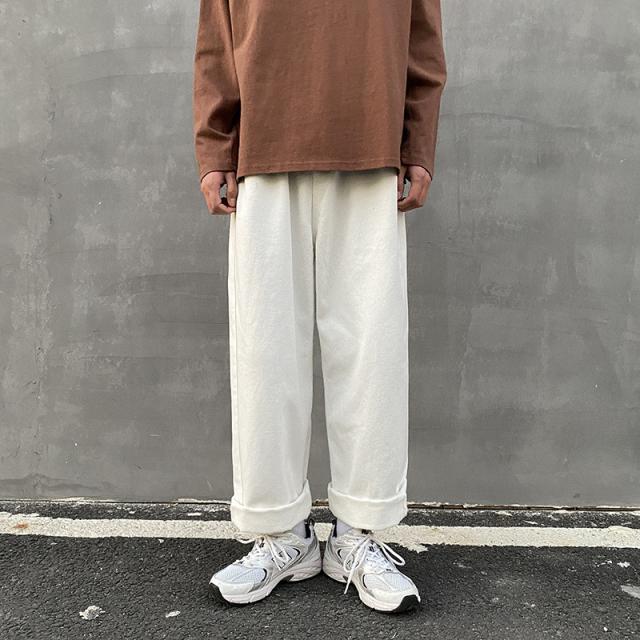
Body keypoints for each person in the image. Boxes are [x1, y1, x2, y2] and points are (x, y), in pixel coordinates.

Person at [193, 0, 446, 613]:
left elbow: (421, 41)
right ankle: (282, 532)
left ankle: (360, 532)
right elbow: (218, 39)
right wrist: (216, 148)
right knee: (264, 351)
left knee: (372, 350)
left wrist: (417, 143)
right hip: (263, 148)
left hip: (370, 139)